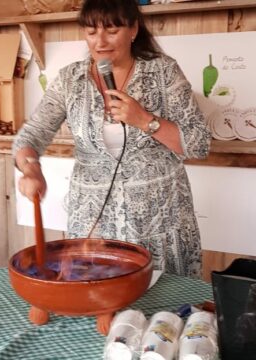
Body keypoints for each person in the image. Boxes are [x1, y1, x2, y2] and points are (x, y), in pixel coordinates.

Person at [12, 0, 211, 278]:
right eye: (91, 32)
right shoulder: (71, 79)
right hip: (93, 224)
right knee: (96, 303)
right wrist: (31, 168)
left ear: (133, 30)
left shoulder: (163, 72)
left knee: (164, 311)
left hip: (157, 221)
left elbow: (199, 143)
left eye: (111, 30)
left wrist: (145, 120)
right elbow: (32, 134)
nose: (100, 42)